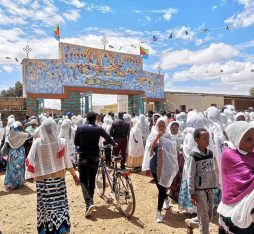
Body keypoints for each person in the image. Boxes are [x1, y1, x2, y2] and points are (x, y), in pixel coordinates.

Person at [25, 117, 79, 234]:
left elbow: (30, 160)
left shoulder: (37, 143)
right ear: (55, 128)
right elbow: (68, 162)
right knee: (60, 204)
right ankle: (61, 228)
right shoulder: (61, 142)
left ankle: (46, 229)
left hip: (42, 181)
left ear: (42, 129)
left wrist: (30, 176)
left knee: (45, 206)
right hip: (59, 179)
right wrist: (74, 176)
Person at [74, 112, 117, 217]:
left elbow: (76, 143)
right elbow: (108, 139)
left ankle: (89, 203)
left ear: (86, 118)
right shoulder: (99, 128)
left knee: (83, 180)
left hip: (83, 157)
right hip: (94, 157)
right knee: (92, 179)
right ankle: (91, 201)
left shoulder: (80, 128)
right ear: (95, 119)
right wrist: (114, 144)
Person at [217, 121, 254, 233]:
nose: (253, 142)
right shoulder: (229, 154)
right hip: (233, 210)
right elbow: (245, 179)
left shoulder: (251, 154)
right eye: (248, 139)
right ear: (237, 138)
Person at [142, 117, 178, 223]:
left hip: (166, 167)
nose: (161, 128)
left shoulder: (169, 137)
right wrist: (157, 137)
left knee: (162, 188)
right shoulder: (153, 135)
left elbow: (173, 150)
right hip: (155, 166)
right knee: (161, 188)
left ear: (166, 126)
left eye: (163, 126)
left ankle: (158, 211)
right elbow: (149, 148)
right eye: (159, 126)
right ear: (157, 126)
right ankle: (164, 202)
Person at [187, 128, 217, 234]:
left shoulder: (210, 153)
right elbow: (190, 175)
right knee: (204, 217)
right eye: (204, 138)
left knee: (210, 214)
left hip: (210, 189)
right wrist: (192, 193)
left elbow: (213, 171)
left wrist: (215, 184)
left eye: (208, 137)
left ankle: (191, 223)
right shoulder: (194, 156)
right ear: (196, 140)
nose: (207, 140)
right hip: (199, 191)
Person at [1, 121, 29, 189]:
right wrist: (22, 129)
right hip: (20, 153)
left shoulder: (10, 135)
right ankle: (19, 183)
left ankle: (11, 184)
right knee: (20, 168)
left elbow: (5, 145)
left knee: (11, 168)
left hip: (12, 153)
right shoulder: (22, 135)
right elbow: (28, 134)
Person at [167, 121, 185, 204]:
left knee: (179, 177)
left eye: (176, 128)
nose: (174, 130)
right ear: (170, 128)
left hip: (180, 159)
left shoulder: (182, 136)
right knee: (172, 177)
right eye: (173, 128)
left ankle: (177, 196)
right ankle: (171, 194)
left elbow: (184, 146)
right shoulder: (168, 136)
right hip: (171, 159)